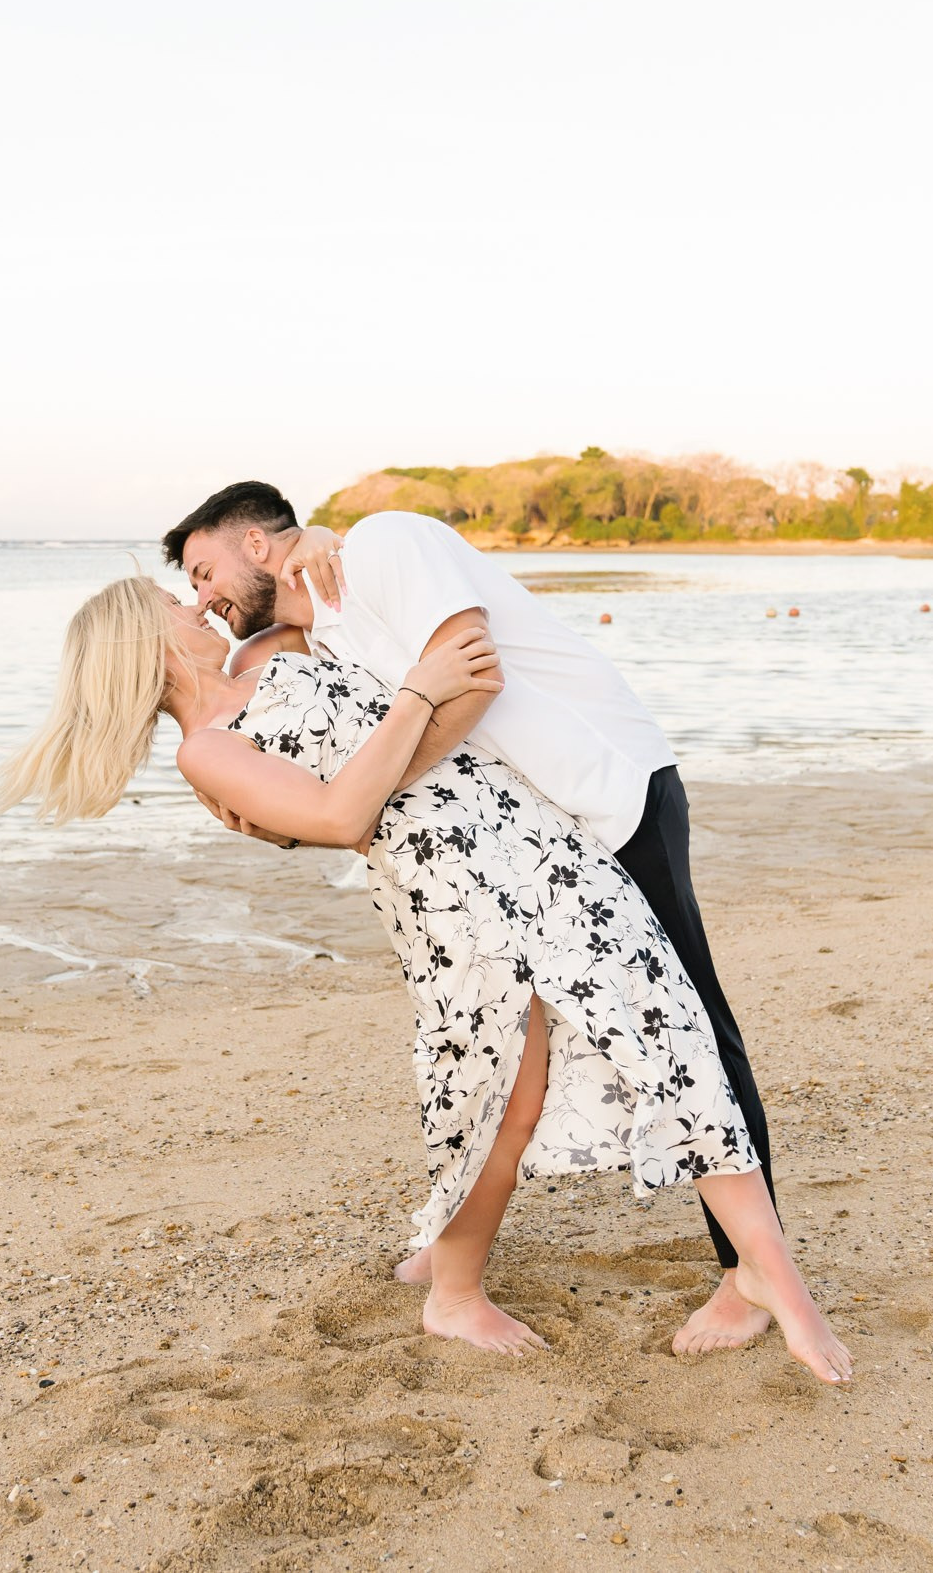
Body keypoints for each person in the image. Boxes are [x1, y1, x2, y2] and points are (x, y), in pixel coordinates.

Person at [0, 574, 850, 1382]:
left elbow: (325, 599)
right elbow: (337, 813)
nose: (199, 606)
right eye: (175, 604)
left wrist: (324, 540)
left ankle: (771, 1280)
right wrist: (420, 691)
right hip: (450, 899)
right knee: (497, 1104)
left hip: (539, 844)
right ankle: (454, 1292)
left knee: (667, 1037)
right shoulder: (207, 752)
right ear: (146, 643)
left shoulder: (269, 653)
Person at [163, 482, 786, 1354]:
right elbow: (313, 749)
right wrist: (299, 815)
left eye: (203, 570)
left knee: (689, 1021)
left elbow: (469, 671)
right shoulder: (317, 623)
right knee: (505, 1046)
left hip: (606, 793)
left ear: (259, 544)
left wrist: (361, 801)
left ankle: (747, 1275)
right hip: (530, 845)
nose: (202, 598)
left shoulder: (379, 545)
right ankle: (456, 1242)